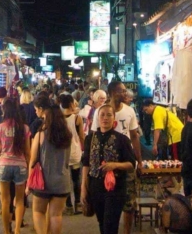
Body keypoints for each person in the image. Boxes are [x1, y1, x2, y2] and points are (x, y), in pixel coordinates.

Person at [90, 81, 142, 234]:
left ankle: (126, 231)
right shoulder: (101, 111)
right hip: (104, 166)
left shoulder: (129, 111)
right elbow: (94, 136)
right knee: (107, 206)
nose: (125, 94)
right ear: (112, 92)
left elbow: (134, 136)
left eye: (125, 91)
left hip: (126, 161)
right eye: (122, 91)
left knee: (129, 203)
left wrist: (139, 161)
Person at [81, 104, 136, 234]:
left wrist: (115, 165)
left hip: (115, 188)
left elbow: (131, 164)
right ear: (98, 118)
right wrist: (84, 187)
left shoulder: (122, 139)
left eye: (109, 115)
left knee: (110, 224)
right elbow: (86, 164)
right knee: (102, 222)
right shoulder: (90, 138)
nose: (105, 118)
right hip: (96, 186)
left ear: (114, 119)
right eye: (102, 115)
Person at [28, 105, 72, 234]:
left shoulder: (40, 135)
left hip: (43, 182)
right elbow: (68, 160)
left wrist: (29, 183)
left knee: (38, 211)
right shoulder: (67, 136)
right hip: (62, 181)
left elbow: (33, 160)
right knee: (56, 215)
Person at [0, 99, 30, 234]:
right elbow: (27, 152)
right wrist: (29, 168)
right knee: (19, 200)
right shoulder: (24, 128)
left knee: (5, 201)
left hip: (4, 165)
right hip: (20, 166)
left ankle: (7, 231)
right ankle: (17, 230)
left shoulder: (0, 127)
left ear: (5, 110)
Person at [59, 94, 84, 215]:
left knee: (66, 180)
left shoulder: (58, 118)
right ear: (70, 104)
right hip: (75, 152)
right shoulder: (77, 118)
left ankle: (68, 205)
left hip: (63, 153)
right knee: (76, 179)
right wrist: (84, 150)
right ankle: (78, 204)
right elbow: (82, 136)